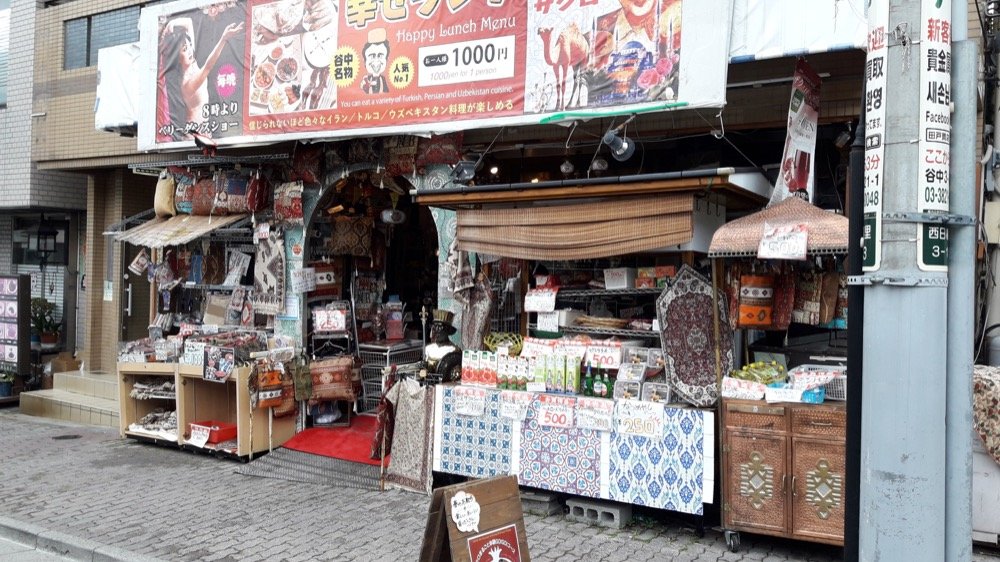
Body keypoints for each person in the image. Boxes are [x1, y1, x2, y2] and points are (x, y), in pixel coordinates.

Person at [158, 17, 244, 141]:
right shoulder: (186, 82)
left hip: (203, 130)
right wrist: (223, 39)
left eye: (189, 46)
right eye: (184, 49)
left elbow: (188, 22)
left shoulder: (191, 62)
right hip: (194, 135)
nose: (189, 51)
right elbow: (208, 67)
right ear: (177, 58)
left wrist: (172, 23)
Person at [360, 27, 390, 95]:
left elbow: (387, 94)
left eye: (380, 56)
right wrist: (365, 86)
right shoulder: (366, 79)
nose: (376, 61)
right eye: (372, 56)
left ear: (386, 59)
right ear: (365, 61)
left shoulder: (383, 79)